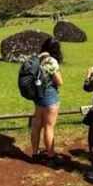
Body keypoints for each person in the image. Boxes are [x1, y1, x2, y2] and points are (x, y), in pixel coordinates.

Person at [30, 38, 64, 166]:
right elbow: (59, 81)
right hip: (49, 95)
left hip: (37, 95)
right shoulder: (51, 60)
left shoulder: (37, 58)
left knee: (36, 126)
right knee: (49, 127)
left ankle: (35, 154)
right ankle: (51, 156)